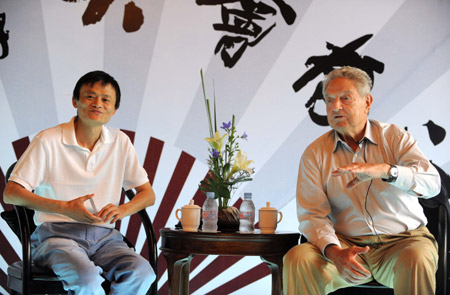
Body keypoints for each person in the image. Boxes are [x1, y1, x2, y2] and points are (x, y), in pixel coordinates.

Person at [283, 66, 441, 295]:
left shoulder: (395, 137)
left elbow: (432, 184)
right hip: (347, 245)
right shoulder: (314, 153)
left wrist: (386, 171)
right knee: (299, 257)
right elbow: (312, 215)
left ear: (367, 102)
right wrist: (334, 253)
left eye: (345, 98)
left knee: (416, 257)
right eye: (329, 100)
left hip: (402, 243)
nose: (335, 107)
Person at [3, 70, 156, 295]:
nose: (98, 104)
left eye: (106, 100)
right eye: (90, 97)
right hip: (55, 236)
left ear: (114, 110)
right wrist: (65, 208)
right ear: (75, 101)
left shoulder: (120, 142)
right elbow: (11, 193)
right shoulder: (48, 140)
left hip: (105, 238)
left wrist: (123, 210)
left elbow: (147, 194)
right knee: (86, 279)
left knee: (143, 273)